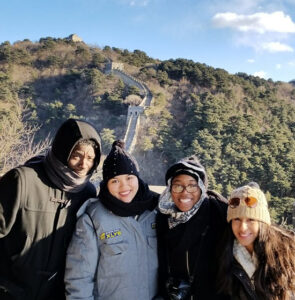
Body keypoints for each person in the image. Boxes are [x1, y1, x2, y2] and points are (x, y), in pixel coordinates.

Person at [0, 118, 101, 300]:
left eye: (90, 158)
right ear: (62, 151)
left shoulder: (87, 192)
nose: (83, 164)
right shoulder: (23, 180)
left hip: (55, 294)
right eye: (77, 155)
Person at [64, 140, 159, 300]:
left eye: (129, 177)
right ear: (106, 184)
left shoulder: (155, 211)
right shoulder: (94, 219)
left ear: (137, 177)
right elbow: (79, 279)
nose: (124, 187)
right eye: (115, 181)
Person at [157, 155, 228, 300]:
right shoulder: (163, 218)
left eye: (192, 185)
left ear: (201, 188)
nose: (185, 192)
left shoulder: (218, 215)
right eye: (177, 185)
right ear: (170, 189)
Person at [217, 182, 295, 300]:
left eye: (251, 219)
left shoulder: (287, 253)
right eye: (237, 219)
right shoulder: (226, 256)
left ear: (262, 222)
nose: (243, 228)